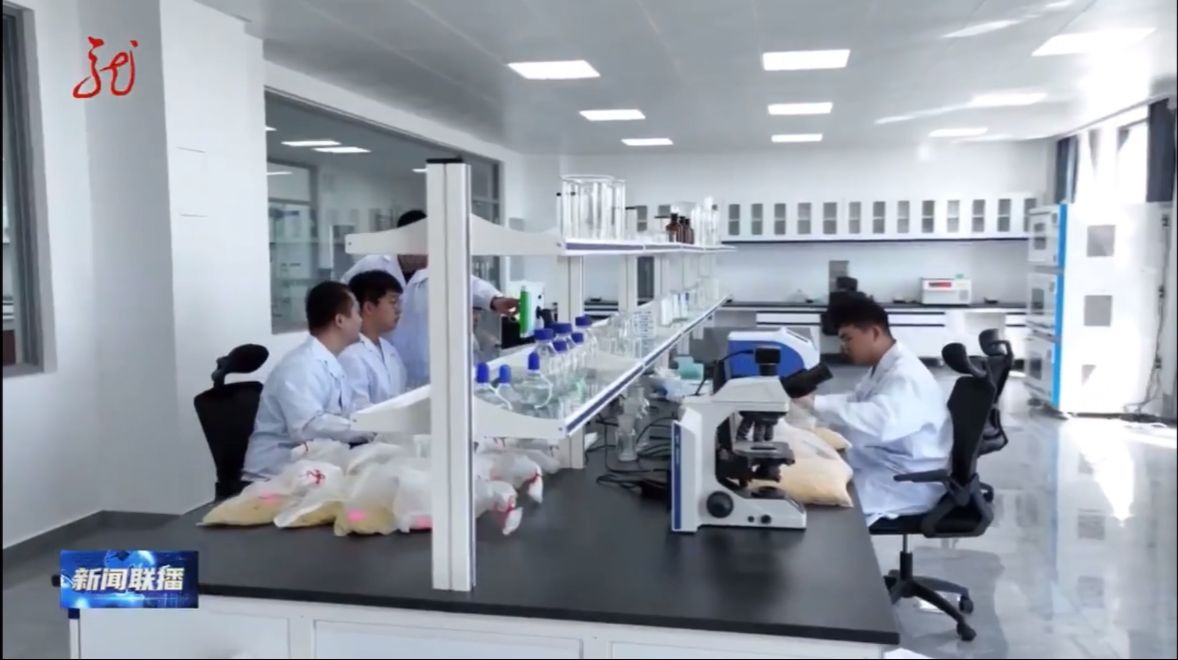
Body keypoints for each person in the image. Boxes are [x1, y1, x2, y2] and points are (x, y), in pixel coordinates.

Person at [793, 294, 950, 525]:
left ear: (874, 332)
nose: (843, 347)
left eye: (848, 338)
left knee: (819, 505)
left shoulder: (906, 376)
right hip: (884, 464)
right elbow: (856, 401)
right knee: (814, 473)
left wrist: (816, 405)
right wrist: (813, 403)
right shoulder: (885, 366)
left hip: (908, 481)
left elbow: (881, 421)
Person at [341, 209, 518, 388]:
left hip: (425, 365)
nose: (429, 252)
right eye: (423, 246)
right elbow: (341, 296)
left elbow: (470, 284)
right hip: (382, 357)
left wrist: (495, 300)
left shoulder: (440, 266)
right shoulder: (373, 264)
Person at [241, 281, 369, 480]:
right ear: (340, 320)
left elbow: (346, 411)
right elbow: (307, 427)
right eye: (357, 313)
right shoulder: (301, 366)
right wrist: (365, 428)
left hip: (308, 467)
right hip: (273, 474)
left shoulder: (329, 361)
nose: (361, 320)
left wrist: (376, 419)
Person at [338, 270, 407, 410]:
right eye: (393, 302)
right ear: (369, 307)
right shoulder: (350, 356)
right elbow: (359, 411)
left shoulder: (389, 350)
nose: (398, 310)